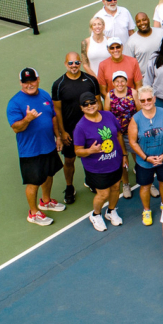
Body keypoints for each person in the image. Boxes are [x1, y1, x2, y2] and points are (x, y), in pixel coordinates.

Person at [10, 68, 65, 226]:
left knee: (49, 174)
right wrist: (27, 119)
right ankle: (33, 213)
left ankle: (45, 201)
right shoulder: (14, 103)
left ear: (38, 79)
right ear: (21, 83)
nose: (29, 85)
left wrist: (58, 137)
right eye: (26, 82)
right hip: (30, 151)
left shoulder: (44, 95)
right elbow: (16, 128)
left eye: (32, 81)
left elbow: (53, 117)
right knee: (33, 182)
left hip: (48, 145)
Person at [52, 53, 101, 205]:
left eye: (77, 62)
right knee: (69, 160)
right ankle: (69, 187)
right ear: (66, 63)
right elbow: (57, 110)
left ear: (80, 63)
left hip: (91, 129)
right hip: (70, 131)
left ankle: (91, 181)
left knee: (92, 155)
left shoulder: (91, 81)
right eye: (71, 63)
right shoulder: (59, 84)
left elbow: (98, 102)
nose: (74, 65)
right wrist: (62, 132)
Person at [74, 92, 124, 232]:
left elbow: (118, 135)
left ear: (97, 103)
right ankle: (96, 214)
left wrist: (124, 154)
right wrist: (90, 151)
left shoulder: (108, 116)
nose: (90, 106)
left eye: (92, 102)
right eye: (86, 105)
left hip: (115, 161)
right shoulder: (81, 127)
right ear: (82, 108)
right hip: (97, 168)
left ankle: (111, 211)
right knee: (103, 194)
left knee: (115, 188)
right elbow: (78, 151)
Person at [128, 86, 163, 225]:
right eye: (142, 100)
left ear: (154, 99)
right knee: (145, 186)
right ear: (139, 102)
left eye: (149, 99)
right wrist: (146, 158)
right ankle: (146, 210)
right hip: (145, 161)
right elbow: (133, 142)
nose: (146, 102)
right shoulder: (136, 119)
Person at [105, 70, 141, 199]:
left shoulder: (133, 93)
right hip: (117, 134)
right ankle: (126, 184)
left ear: (126, 82)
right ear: (113, 83)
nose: (120, 84)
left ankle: (145, 181)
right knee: (123, 160)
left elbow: (139, 110)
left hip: (133, 132)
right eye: (117, 81)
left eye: (122, 81)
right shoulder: (109, 96)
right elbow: (107, 115)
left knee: (139, 157)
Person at [129, 12, 163, 78]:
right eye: (138, 21)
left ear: (148, 20)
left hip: (162, 77)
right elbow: (129, 65)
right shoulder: (131, 41)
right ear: (136, 24)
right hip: (144, 79)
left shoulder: (161, 33)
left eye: (144, 20)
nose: (142, 23)